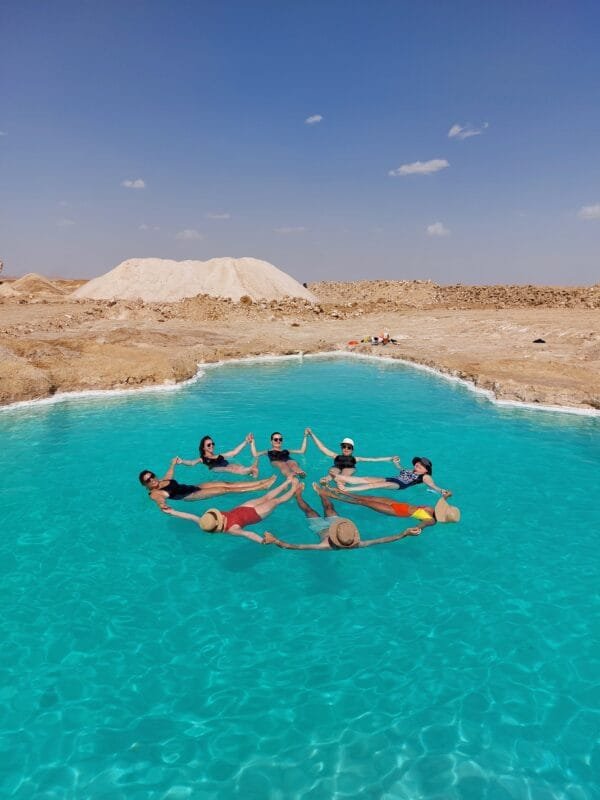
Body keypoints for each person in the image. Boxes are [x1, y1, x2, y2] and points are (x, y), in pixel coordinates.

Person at [262, 484, 425, 550]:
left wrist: (276, 541)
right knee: (329, 506)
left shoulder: (326, 545)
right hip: (337, 524)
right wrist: (404, 533)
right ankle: (322, 492)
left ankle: (297, 495)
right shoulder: (354, 543)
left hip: (319, 527)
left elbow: (296, 546)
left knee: (309, 511)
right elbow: (383, 540)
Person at [160, 476, 300, 543]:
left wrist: (172, 512)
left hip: (243, 508)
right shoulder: (232, 530)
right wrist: (263, 541)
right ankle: (293, 489)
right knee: (276, 501)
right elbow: (248, 534)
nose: (221, 515)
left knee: (266, 496)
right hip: (256, 515)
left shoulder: (205, 522)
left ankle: (287, 482)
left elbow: (190, 516)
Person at [139, 458, 275, 512]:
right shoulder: (154, 493)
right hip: (190, 495)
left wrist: (173, 463)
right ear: (145, 485)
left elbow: (170, 475)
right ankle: (261, 487)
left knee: (226, 483)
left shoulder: (162, 480)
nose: (152, 480)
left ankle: (261, 481)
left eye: (152, 476)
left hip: (194, 486)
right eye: (148, 480)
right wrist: (162, 505)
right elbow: (159, 499)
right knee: (225, 489)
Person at [315, 482, 460, 528]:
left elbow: (420, 526)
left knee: (364, 502)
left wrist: (416, 529)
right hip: (399, 504)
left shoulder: (432, 521)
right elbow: (444, 500)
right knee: (368, 497)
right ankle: (338, 490)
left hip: (396, 511)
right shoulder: (436, 508)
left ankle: (331, 495)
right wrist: (446, 495)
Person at [335, 456, 451, 497]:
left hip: (399, 484)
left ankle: (347, 489)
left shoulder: (425, 477)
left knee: (374, 485)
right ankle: (341, 478)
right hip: (393, 478)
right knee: (367, 478)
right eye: (419, 462)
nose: (419, 464)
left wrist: (442, 491)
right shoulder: (411, 470)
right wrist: (395, 462)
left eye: (422, 465)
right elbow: (401, 470)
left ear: (426, 470)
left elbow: (432, 485)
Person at [306, 428, 400, 479]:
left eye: (349, 447)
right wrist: (311, 434)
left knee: (342, 477)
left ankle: (340, 489)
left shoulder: (356, 459)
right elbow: (322, 447)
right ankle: (325, 486)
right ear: (341, 448)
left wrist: (391, 458)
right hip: (336, 467)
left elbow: (374, 459)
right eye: (344, 447)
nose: (346, 449)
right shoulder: (335, 456)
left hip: (349, 468)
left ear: (352, 449)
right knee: (329, 475)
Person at [179, 434, 259, 477]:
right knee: (229, 469)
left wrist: (245, 441)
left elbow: (234, 452)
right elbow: (191, 462)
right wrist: (182, 461)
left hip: (226, 465)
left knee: (236, 466)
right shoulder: (202, 458)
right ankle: (250, 470)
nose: (211, 446)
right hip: (215, 468)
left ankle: (252, 475)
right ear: (203, 448)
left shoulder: (220, 455)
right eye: (208, 445)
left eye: (212, 444)